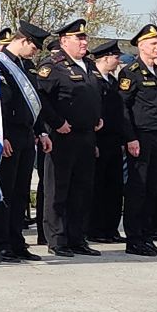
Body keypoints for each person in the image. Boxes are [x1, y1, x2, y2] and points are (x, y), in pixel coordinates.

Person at [38, 19, 101, 257]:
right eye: (79, 38)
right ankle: (57, 239)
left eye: (85, 38)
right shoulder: (53, 66)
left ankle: (77, 238)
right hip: (63, 135)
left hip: (87, 135)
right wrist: (56, 122)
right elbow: (41, 98)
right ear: (64, 41)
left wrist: (98, 116)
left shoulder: (89, 65)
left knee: (82, 189)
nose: (84, 42)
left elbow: (95, 94)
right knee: (58, 189)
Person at [116, 24, 157, 257]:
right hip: (140, 137)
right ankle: (134, 239)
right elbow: (123, 108)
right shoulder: (130, 73)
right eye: (153, 43)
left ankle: (147, 236)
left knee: (153, 188)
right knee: (138, 188)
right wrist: (130, 138)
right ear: (141, 46)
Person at [0, 23, 47, 262]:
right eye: (34, 47)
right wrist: (1, 135)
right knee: (6, 190)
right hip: (8, 135)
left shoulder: (26, 66)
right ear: (23, 40)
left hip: (26, 135)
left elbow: (33, 104)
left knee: (20, 192)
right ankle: (1, 243)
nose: (35, 51)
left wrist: (41, 132)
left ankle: (17, 240)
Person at [88, 39, 128, 244]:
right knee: (98, 186)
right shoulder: (93, 80)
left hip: (114, 141)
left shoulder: (112, 81)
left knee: (114, 187)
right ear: (105, 58)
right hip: (99, 141)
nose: (118, 60)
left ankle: (110, 228)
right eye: (115, 57)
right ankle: (95, 228)